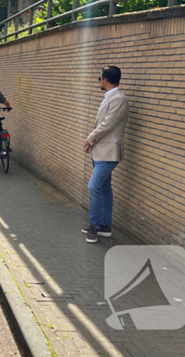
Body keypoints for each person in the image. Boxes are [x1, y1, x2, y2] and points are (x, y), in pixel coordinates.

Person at [82, 66, 129, 244]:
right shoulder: (110, 97)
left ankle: (93, 227)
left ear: (105, 80)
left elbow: (107, 125)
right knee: (105, 189)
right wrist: (92, 143)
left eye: (99, 78)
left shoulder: (118, 99)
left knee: (94, 187)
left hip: (109, 153)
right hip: (101, 151)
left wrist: (89, 139)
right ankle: (105, 226)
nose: (99, 81)